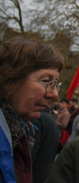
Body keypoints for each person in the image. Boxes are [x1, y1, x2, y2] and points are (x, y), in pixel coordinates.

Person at [0, 37, 64, 183]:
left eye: (55, 84)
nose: (54, 94)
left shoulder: (23, 133)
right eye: (45, 81)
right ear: (12, 79)